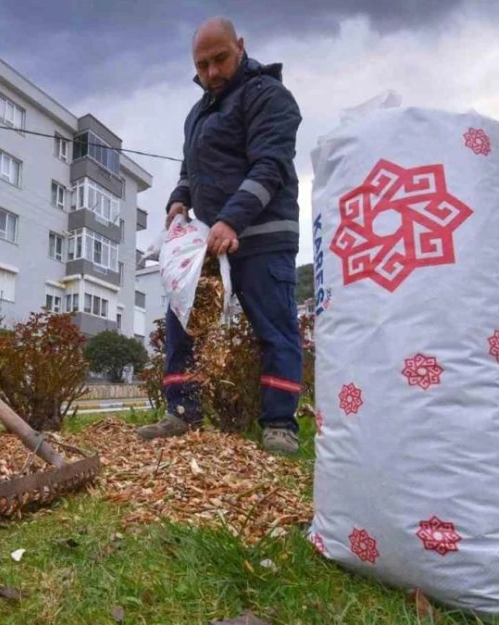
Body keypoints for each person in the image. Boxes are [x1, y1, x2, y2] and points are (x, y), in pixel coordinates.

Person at [137, 17, 305, 455]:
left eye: (220, 59)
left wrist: (232, 219)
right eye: (202, 64)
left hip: (264, 236)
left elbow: (271, 165)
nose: (211, 72)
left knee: (275, 327)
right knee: (184, 321)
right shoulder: (198, 114)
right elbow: (191, 169)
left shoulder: (268, 96)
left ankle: (279, 424)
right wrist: (178, 199)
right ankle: (183, 412)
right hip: (207, 243)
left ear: (241, 47)